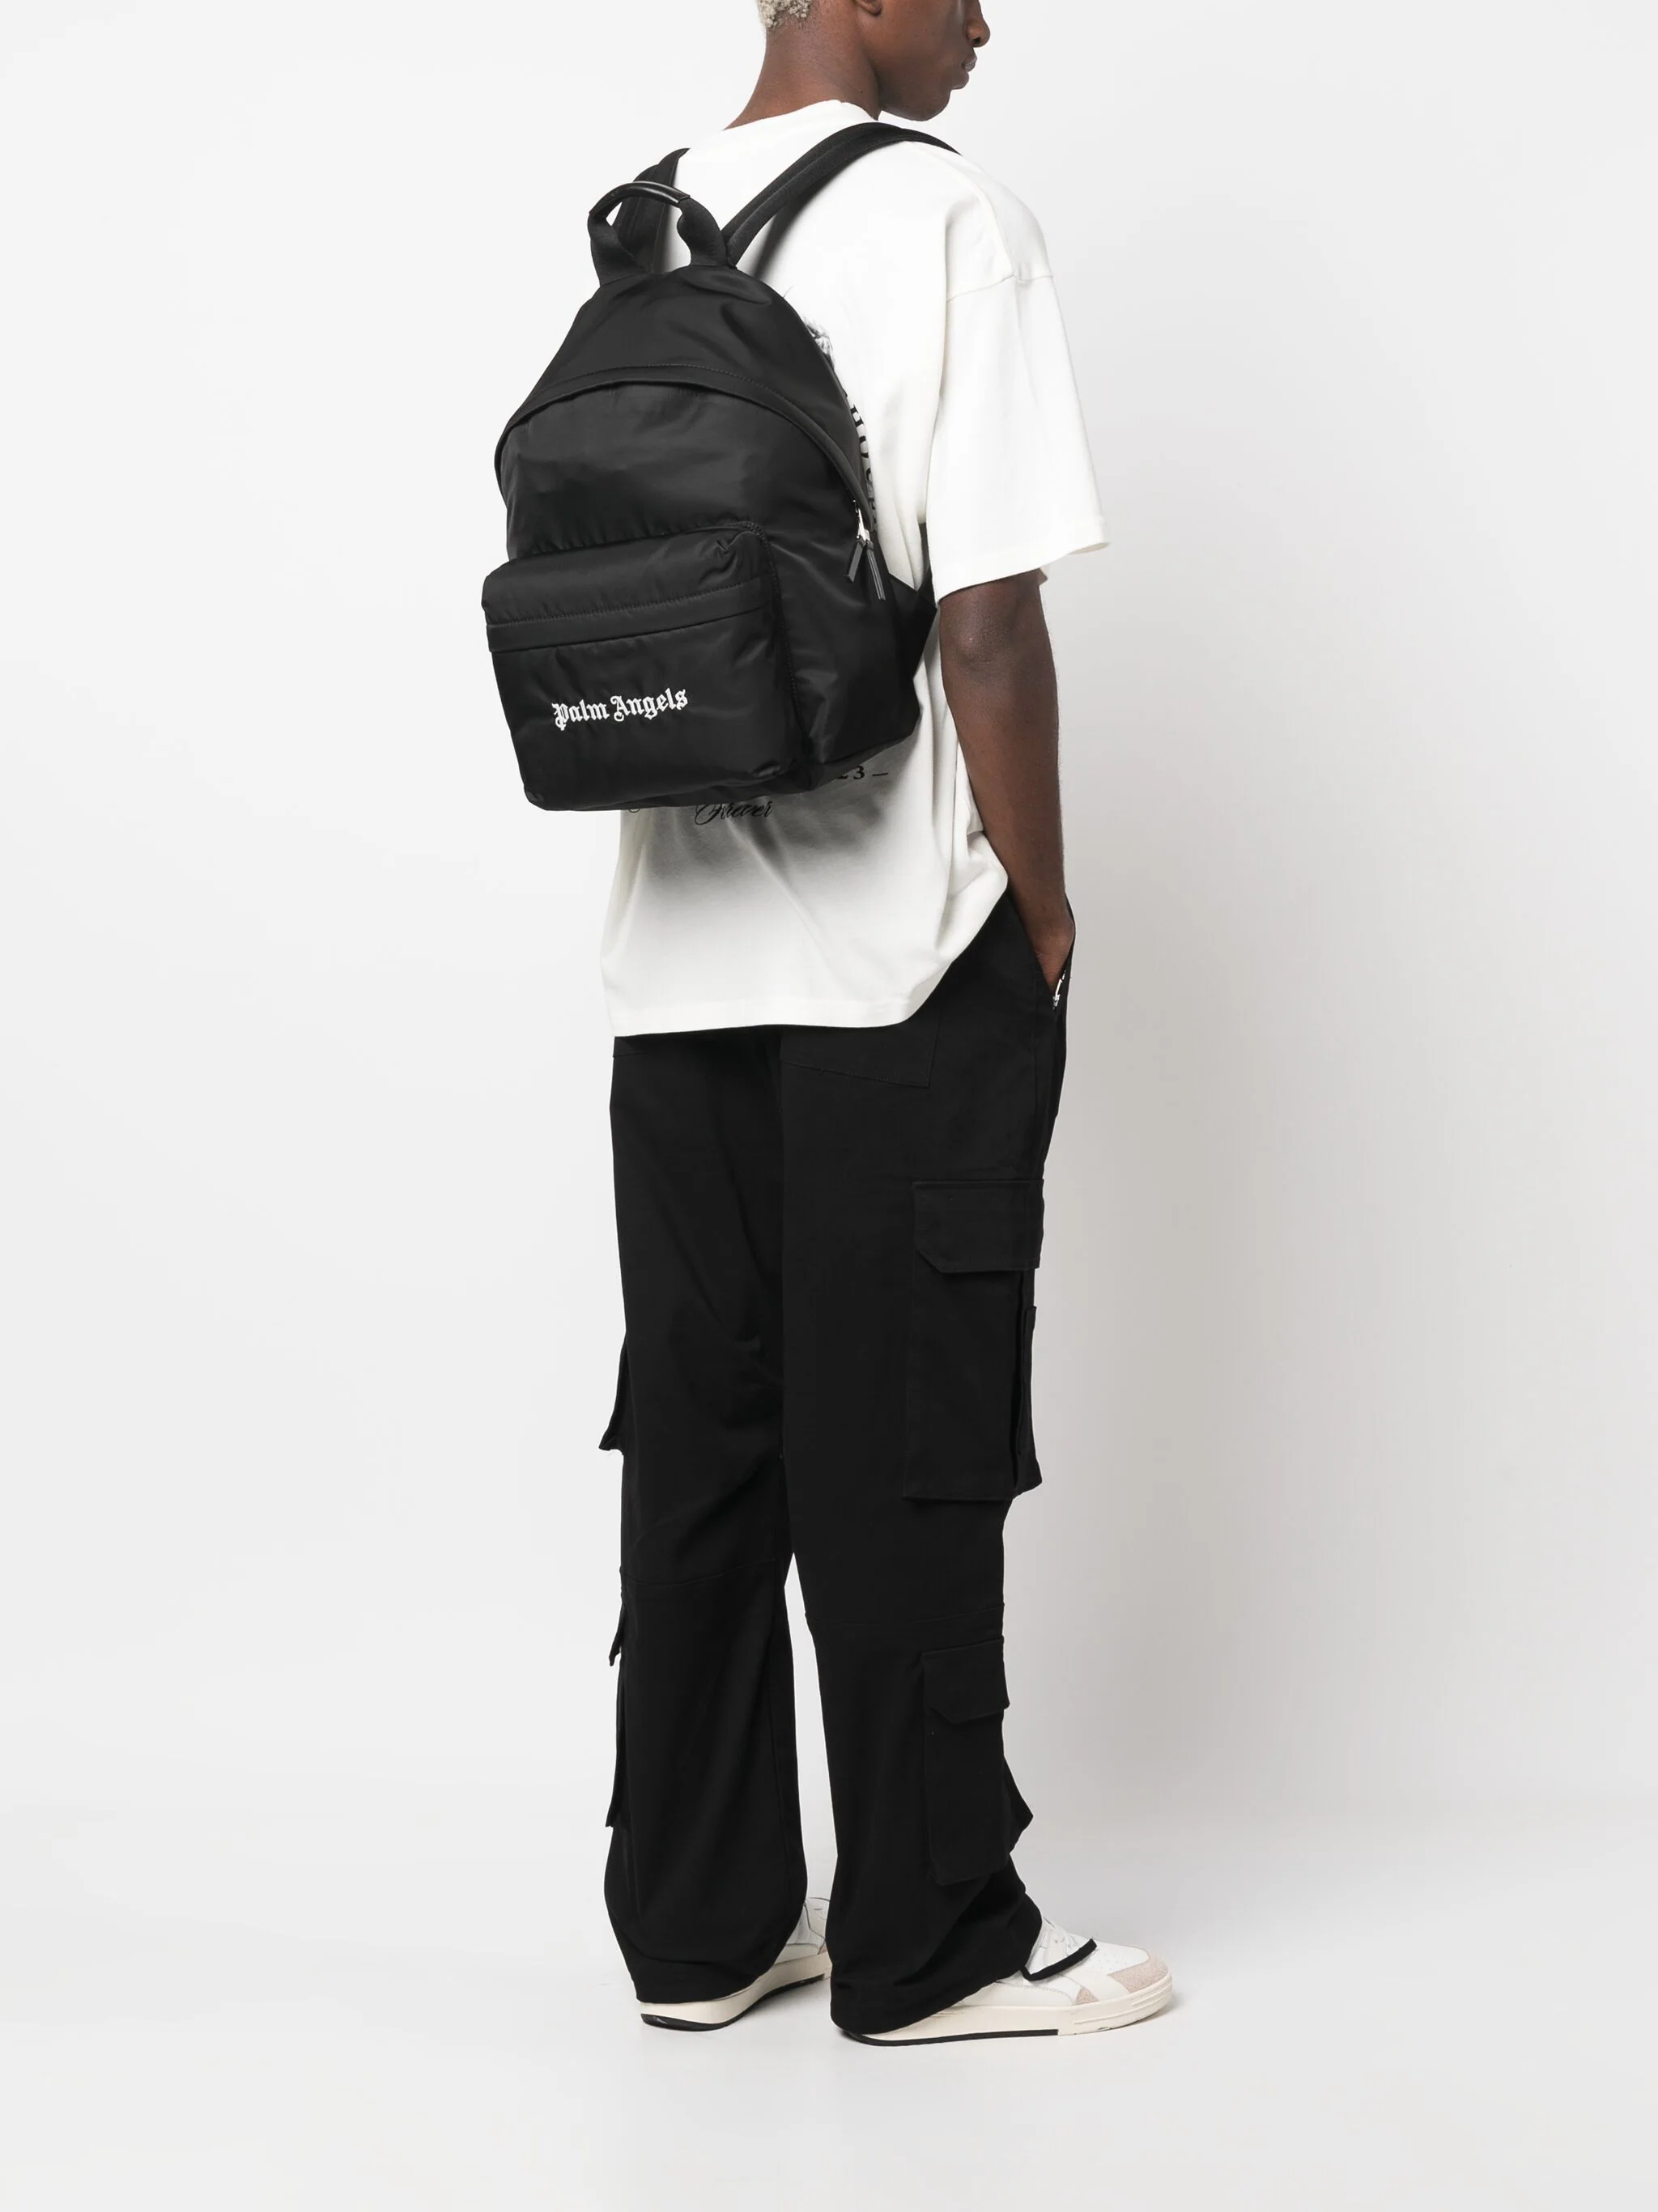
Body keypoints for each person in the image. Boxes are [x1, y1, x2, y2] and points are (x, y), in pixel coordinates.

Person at [595, 0, 1172, 2043]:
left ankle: (698, 1929)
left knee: (703, 1446)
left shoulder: (644, 225)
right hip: (895, 959)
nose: (985, 19)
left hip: (672, 964)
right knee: (908, 1436)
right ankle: (933, 1946)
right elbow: (989, 621)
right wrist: (1044, 903)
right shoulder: (945, 221)